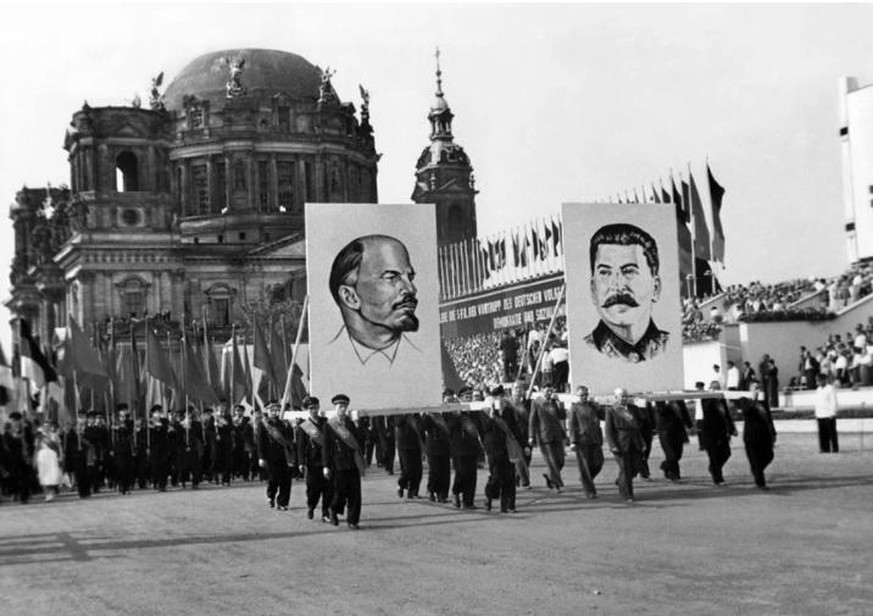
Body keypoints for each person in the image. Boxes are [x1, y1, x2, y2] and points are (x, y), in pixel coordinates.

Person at [328, 234, 420, 365]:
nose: (411, 289)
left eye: (410, 277)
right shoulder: (325, 360)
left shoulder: (427, 357)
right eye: (392, 277)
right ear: (350, 297)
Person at [585, 223, 669, 362]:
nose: (617, 285)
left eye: (629, 271)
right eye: (605, 273)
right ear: (593, 289)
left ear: (656, 287)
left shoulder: (668, 347)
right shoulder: (587, 350)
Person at [322, 394, 366, 529]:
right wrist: (326, 466)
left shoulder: (351, 424)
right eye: (340, 407)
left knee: (355, 494)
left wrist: (360, 426)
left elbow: (359, 442)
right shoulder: (329, 426)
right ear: (334, 408)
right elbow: (326, 447)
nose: (343, 409)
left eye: (345, 407)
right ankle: (333, 510)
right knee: (339, 492)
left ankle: (352, 520)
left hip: (352, 463)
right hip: (338, 464)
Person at [480, 385, 526, 513]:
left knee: (510, 476)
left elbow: (515, 429)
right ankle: (489, 497)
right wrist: (491, 415)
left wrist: (523, 444)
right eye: (497, 397)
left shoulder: (509, 410)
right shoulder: (484, 411)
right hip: (493, 448)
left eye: (502, 397)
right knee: (496, 476)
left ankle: (509, 505)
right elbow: (484, 428)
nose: (500, 400)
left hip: (508, 447)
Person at [604, 388, 645, 502]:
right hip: (621, 443)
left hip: (635, 441)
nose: (624, 398)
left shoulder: (634, 408)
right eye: (622, 396)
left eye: (626, 396)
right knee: (625, 469)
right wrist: (612, 445)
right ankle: (627, 494)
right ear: (616, 398)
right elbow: (608, 430)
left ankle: (621, 481)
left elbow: (640, 424)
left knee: (637, 466)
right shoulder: (612, 410)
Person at [296, 396, 333, 522]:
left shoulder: (326, 423)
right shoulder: (303, 427)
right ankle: (311, 506)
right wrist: (301, 462)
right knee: (313, 489)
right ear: (307, 410)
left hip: (326, 460)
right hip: (312, 462)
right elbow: (300, 447)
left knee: (328, 488)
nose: (314, 410)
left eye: (316, 407)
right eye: (311, 408)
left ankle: (325, 512)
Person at [567, 386, 604, 498]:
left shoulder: (593, 406)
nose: (584, 397)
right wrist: (573, 441)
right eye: (582, 395)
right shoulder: (574, 408)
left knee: (599, 463)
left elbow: (603, 416)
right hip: (582, 440)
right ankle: (590, 491)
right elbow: (572, 425)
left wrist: (600, 406)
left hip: (595, 439)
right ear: (577, 396)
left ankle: (585, 479)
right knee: (585, 467)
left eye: (586, 394)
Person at [528, 385, 568, 492]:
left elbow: (562, 416)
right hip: (544, 436)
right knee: (551, 461)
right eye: (547, 390)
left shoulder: (554, 402)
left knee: (560, 460)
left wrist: (560, 404)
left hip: (557, 435)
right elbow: (532, 419)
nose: (549, 392)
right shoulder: (537, 403)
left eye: (551, 390)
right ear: (542, 391)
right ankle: (557, 485)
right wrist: (531, 436)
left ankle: (550, 477)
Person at [257, 401, 295, 511]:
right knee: (273, 478)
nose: (274, 412)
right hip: (270, 456)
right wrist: (261, 457)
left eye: (277, 410)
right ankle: (271, 495)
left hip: (285, 455)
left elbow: (290, 439)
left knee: (286, 480)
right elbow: (260, 442)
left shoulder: (285, 423)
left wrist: (291, 426)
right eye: (271, 410)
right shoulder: (264, 424)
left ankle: (283, 502)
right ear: (267, 411)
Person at [697, 382, 737, 486]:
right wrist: (711, 395)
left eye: (718, 388)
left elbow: (726, 415)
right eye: (714, 388)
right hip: (710, 432)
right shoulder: (706, 399)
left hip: (722, 431)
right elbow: (707, 409)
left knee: (726, 453)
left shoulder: (721, 400)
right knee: (714, 455)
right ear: (710, 389)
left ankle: (713, 468)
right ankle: (718, 478)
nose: (716, 390)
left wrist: (732, 429)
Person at [739, 384, 777, 489]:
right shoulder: (744, 400)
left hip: (764, 435)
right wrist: (753, 399)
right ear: (750, 390)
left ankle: (756, 471)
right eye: (755, 388)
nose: (758, 390)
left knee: (769, 456)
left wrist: (773, 433)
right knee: (755, 460)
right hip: (751, 437)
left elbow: (768, 418)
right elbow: (746, 411)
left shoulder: (763, 402)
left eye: (759, 387)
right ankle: (761, 483)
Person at [447, 410, 483, 510]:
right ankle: (456, 492)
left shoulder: (473, 414)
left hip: (472, 449)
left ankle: (468, 502)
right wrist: (457, 417)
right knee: (461, 473)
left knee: (472, 476)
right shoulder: (450, 414)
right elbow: (448, 428)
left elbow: (478, 427)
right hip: (458, 449)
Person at [654, 398, 694, 482]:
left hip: (678, 431)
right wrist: (664, 401)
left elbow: (684, 413)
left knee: (678, 455)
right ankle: (675, 475)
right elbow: (661, 412)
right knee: (671, 455)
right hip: (665, 432)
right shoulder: (660, 401)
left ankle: (665, 466)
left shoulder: (679, 400)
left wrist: (690, 426)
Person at [419, 411, 452, 503]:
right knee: (434, 471)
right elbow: (422, 427)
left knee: (445, 472)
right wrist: (425, 415)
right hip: (433, 446)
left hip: (445, 446)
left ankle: (442, 494)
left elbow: (450, 428)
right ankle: (431, 491)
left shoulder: (446, 414)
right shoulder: (429, 416)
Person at [394, 413, 424, 500]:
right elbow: (396, 423)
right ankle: (401, 485)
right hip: (404, 444)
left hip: (415, 444)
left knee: (418, 470)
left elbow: (420, 427)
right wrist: (405, 415)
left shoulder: (416, 414)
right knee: (407, 469)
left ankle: (413, 490)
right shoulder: (399, 412)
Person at [34, 421, 63, 502]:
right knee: (44, 475)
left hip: (52, 457)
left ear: (50, 427)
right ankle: (47, 494)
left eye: (48, 426)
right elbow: (36, 449)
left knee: (52, 475)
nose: (46, 428)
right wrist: (35, 459)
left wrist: (60, 455)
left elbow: (59, 446)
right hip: (42, 457)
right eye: (45, 426)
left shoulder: (54, 435)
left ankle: (52, 492)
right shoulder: (39, 437)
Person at [814, 373, 839, 453]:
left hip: (829, 414)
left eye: (819, 380)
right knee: (822, 433)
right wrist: (816, 413)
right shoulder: (818, 389)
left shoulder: (830, 388)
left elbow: (833, 401)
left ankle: (835, 448)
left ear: (824, 380)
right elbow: (817, 402)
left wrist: (833, 412)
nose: (818, 382)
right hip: (820, 414)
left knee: (831, 433)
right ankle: (824, 448)